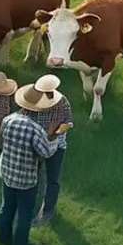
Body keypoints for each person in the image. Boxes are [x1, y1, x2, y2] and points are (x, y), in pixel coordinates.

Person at [0, 82, 62, 245]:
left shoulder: (8, 120)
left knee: (6, 207)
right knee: (25, 213)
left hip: (7, 173)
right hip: (26, 179)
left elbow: (0, 143)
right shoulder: (35, 129)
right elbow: (46, 152)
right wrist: (53, 136)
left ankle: (4, 241)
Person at [26, 74, 73, 226]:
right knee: (34, 177)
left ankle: (47, 212)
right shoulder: (34, 100)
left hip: (57, 146)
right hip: (37, 145)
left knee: (53, 179)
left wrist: (57, 132)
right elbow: (26, 116)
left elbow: (69, 122)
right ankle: (32, 207)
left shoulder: (62, 101)